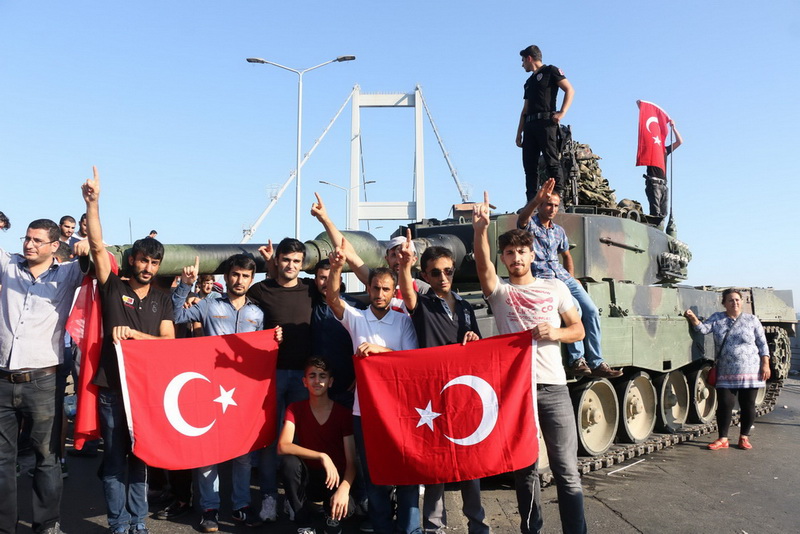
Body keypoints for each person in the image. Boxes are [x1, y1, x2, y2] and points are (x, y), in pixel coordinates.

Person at [472, 191, 587, 534]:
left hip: (553, 388)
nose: (516, 257)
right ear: (505, 258)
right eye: (509, 252)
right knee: (525, 470)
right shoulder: (501, 293)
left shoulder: (555, 288)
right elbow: (482, 265)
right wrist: (480, 231)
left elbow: (578, 329)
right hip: (516, 392)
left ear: (532, 254)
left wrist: (556, 332)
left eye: (522, 251)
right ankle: (531, 530)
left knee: (567, 470)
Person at [82, 167, 176, 534]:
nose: (148, 267)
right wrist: (93, 203)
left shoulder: (164, 299)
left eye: (154, 263)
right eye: (143, 260)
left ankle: (139, 521)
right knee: (115, 461)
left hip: (146, 391)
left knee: (140, 460)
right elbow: (96, 245)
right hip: (111, 390)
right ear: (132, 260)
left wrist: (137, 337)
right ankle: (119, 523)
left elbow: (169, 343)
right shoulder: (111, 287)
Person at [172, 254, 276, 531]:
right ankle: (209, 508)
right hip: (208, 387)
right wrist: (185, 285)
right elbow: (176, 315)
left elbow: (265, 351)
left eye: (245, 276)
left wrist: (276, 339)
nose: (239, 280)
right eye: (235, 275)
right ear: (226, 276)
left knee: (243, 452)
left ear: (252, 280)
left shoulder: (259, 312)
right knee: (208, 451)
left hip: (244, 393)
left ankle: (241, 505)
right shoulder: (208, 305)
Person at [395, 232, 490, 534]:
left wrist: (474, 339)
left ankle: (478, 526)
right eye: (435, 272)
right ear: (425, 275)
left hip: (463, 394)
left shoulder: (465, 306)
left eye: (448, 270)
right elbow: (406, 294)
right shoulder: (422, 305)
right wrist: (404, 266)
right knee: (437, 467)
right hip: (433, 397)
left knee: (469, 466)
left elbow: (477, 348)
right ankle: (434, 529)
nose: (443, 276)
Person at [326, 239, 421, 534]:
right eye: (374, 288)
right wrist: (335, 269)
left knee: (406, 475)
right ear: (367, 290)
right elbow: (332, 298)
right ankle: (381, 527)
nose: (379, 294)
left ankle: (410, 529)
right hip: (363, 411)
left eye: (385, 289)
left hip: (399, 412)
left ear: (394, 293)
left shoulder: (403, 322)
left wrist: (379, 353)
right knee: (374, 475)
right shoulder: (356, 319)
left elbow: (409, 362)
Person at [0, 218, 85, 534]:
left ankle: (47, 525)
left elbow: (96, 257)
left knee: (47, 460)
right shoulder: (7, 266)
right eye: (26, 238)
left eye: (37, 240)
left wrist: (91, 205)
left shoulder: (68, 273)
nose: (29, 244)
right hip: (2, 379)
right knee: (2, 462)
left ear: (54, 246)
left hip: (43, 381)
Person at [518, 178, 622, 379]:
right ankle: (577, 360)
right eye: (548, 204)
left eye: (556, 205)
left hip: (564, 278)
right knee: (575, 310)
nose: (552, 209)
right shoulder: (531, 226)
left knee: (591, 310)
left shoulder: (559, 231)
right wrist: (534, 200)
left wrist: (572, 279)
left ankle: (597, 361)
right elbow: (522, 219)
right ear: (540, 206)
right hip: (545, 280)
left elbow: (566, 255)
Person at [247, 237, 319, 522]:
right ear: (277, 261)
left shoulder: (312, 289)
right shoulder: (260, 290)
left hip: (304, 378)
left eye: (296, 261)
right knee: (268, 440)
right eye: (286, 259)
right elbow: (237, 310)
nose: (291, 265)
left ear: (302, 265)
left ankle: (293, 498)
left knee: (298, 439)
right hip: (271, 376)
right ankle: (267, 497)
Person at [311, 192, 429, 313]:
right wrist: (325, 219)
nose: (399, 258)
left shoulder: (423, 289)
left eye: (404, 254)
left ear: (414, 259)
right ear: (386, 258)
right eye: (394, 254)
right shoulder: (375, 281)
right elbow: (347, 251)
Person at [278, 358, 357, 534]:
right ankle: (303, 521)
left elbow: (352, 462)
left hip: (334, 479)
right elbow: (283, 445)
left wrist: (344, 489)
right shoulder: (295, 408)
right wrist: (322, 456)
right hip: (309, 479)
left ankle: (332, 518)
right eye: (312, 376)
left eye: (322, 376)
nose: (317, 381)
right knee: (288, 463)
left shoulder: (343, 414)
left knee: (349, 508)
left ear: (330, 382)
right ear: (304, 382)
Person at [684, 289, 770, 451]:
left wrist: (765, 364)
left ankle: (744, 437)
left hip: (751, 369)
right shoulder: (718, 318)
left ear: (742, 302)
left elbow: (762, 344)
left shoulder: (752, 320)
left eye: (737, 300)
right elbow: (702, 329)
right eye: (730, 300)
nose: (734, 303)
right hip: (726, 370)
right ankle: (722, 438)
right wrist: (693, 318)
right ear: (724, 303)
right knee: (725, 404)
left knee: (748, 405)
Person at [516, 45, 575, 201]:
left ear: (529, 58)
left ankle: (557, 197)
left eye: (523, 60)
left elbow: (569, 89)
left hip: (546, 123)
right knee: (529, 166)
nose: (522, 65)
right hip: (530, 125)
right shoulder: (528, 82)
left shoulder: (551, 71)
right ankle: (531, 201)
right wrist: (518, 133)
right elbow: (525, 109)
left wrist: (562, 112)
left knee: (551, 161)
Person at [643, 119, 683, 224]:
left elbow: (679, 142)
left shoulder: (664, 150)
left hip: (663, 184)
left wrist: (673, 128)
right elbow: (646, 135)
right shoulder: (650, 149)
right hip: (654, 182)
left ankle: (659, 230)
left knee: (663, 213)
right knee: (655, 213)